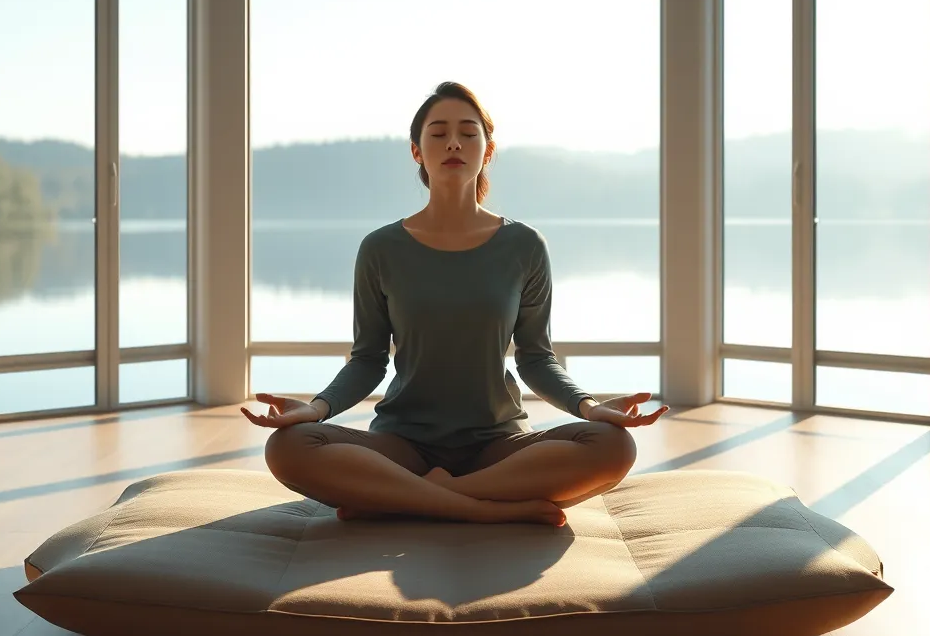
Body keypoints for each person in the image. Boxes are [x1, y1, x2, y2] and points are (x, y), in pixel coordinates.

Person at [241, 81, 668, 527]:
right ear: (416, 151)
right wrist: (317, 408)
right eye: (438, 132)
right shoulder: (381, 248)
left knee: (614, 445)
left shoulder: (523, 245)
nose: (453, 143)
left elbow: (537, 359)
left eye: (468, 132)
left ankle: (407, 499)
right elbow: (367, 360)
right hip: (402, 445)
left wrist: (588, 406)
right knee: (289, 447)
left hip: (498, 445)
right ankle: (482, 509)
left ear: (487, 150)